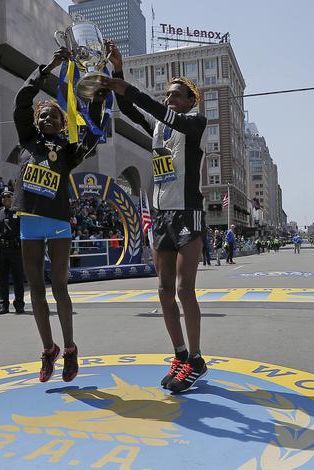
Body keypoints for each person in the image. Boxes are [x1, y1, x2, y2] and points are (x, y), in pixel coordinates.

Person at [103, 41, 209, 393]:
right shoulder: (160, 128)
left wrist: (129, 86)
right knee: (163, 290)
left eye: (177, 95)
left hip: (187, 212)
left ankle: (196, 358)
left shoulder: (195, 123)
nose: (170, 99)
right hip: (161, 214)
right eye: (167, 95)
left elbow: (158, 111)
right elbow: (127, 107)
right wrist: (118, 74)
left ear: (191, 101)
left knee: (184, 289)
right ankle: (179, 353)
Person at [12, 46, 104, 384]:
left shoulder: (67, 152)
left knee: (59, 288)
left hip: (58, 224)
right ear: (35, 121)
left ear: (62, 123)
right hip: (29, 225)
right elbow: (23, 99)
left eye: (55, 116)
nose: (48, 119)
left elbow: (94, 132)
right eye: (43, 115)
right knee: (35, 288)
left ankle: (69, 349)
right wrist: (49, 66)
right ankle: (47, 348)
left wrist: (95, 90)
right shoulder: (25, 140)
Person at [0, 190, 25, 315]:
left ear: (13, 198)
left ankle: (19, 305)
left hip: (16, 250)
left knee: (18, 279)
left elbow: (25, 232)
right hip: (1, 250)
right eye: (3, 197)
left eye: (9, 196)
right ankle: (3, 305)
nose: (6, 199)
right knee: (2, 279)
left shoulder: (20, 212)